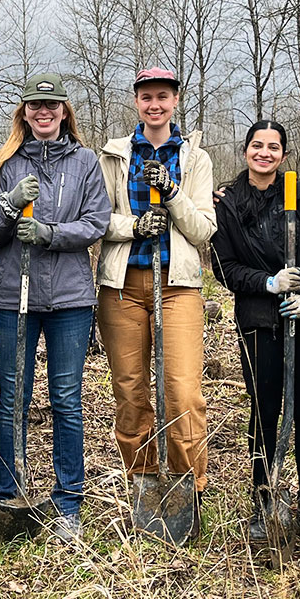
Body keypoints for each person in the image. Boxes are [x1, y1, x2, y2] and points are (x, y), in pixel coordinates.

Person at [0, 73, 110, 541]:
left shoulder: (85, 162)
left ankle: (67, 498)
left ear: (63, 111)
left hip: (71, 297)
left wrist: (51, 234)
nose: (44, 112)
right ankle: (5, 492)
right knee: (13, 397)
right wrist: (12, 204)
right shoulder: (7, 163)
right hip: (15, 295)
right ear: (25, 112)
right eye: (35, 105)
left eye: (51, 105)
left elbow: (97, 221)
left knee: (67, 399)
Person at [96, 68, 216, 527]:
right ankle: (144, 484)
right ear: (136, 102)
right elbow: (96, 220)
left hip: (177, 286)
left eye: (163, 97)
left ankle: (189, 489)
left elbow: (203, 229)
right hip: (123, 286)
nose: (155, 105)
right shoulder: (114, 156)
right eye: (147, 97)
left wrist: (171, 193)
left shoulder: (195, 158)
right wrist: (133, 227)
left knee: (182, 391)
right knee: (130, 391)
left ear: (176, 101)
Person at [209, 120, 300, 543]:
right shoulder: (226, 203)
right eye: (257, 146)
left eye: (274, 147)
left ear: (283, 155)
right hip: (259, 321)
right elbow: (224, 266)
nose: (265, 153)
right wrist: (268, 283)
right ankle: (265, 499)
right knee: (264, 412)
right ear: (245, 150)